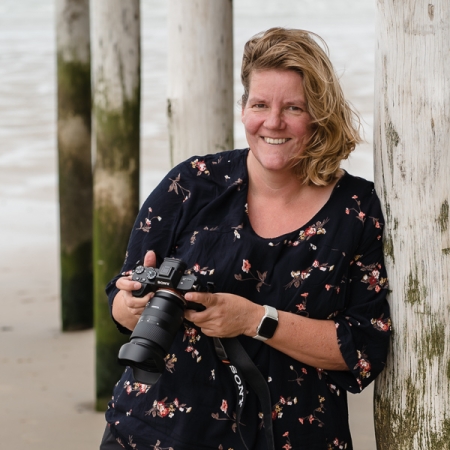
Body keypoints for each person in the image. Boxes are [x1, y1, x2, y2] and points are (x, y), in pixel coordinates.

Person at [100, 27, 391, 450]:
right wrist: (133, 304)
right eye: (260, 104)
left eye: (293, 107)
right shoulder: (193, 183)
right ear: (242, 109)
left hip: (294, 436)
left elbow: (363, 349)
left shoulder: (357, 208)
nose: (273, 122)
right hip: (158, 432)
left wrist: (254, 319)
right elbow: (120, 305)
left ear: (319, 114)